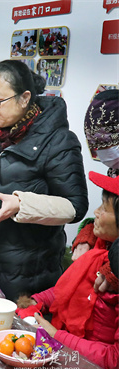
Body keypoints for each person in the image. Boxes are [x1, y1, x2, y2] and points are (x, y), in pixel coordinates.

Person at [0, 59, 88, 301]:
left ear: (25, 98)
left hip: (25, 269)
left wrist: (21, 204)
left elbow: (75, 206)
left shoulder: (59, 141)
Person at [16, 172, 119, 369]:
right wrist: (35, 302)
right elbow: (69, 288)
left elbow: (114, 360)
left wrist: (56, 335)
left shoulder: (115, 272)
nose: (96, 212)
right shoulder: (100, 248)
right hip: (65, 353)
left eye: (104, 208)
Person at [71, 89, 119, 261]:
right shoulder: (114, 171)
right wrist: (88, 236)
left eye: (108, 143)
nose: (102, 152)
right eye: (96, 144)